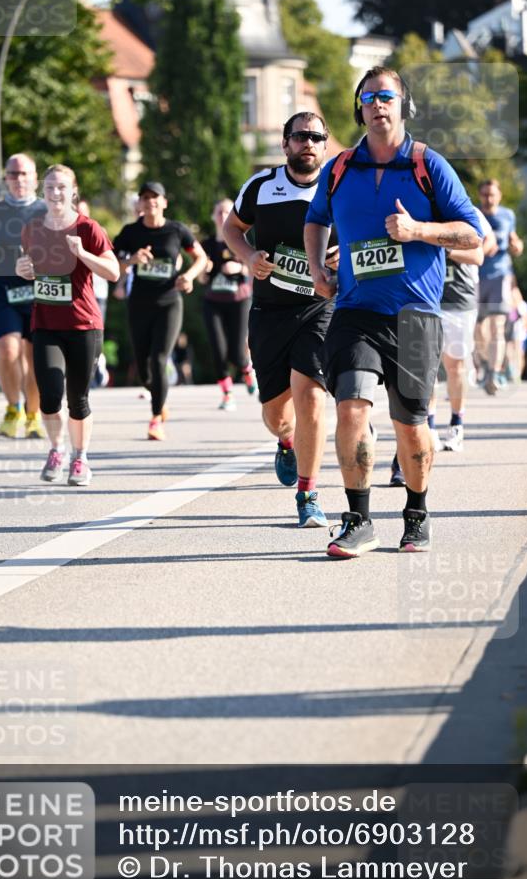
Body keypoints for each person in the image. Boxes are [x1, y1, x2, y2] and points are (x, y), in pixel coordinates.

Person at [304, 67, 482, 556]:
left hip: (415, 317)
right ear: (358, 108)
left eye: (387, 96)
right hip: (356, 310)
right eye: (369, 97)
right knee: (351, 406)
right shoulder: (340, 169)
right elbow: (315, 220)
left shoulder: (428, 165)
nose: (378, 104)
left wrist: (419, 231)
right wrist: (319, 268)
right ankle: (358, 518)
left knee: (411, 422)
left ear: (404, 106)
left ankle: (416, 511)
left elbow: (473, 236)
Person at [224, 111, 337, 529]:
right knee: (277, 414)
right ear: (285, 144)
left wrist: (347, 259)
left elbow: (366, 234)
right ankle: (286, 442)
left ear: (325, 144)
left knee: (311, 396)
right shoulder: (260, 187)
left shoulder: (338, 187)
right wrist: (249, 255)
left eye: (316, 136)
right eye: (299, 136)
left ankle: (308, 494)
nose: (307, 143)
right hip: (269, 311)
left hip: (318, 307)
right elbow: (231, 228)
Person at [16, 164, 119, 486]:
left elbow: (113, 273)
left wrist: (84, 254)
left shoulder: (88, 228)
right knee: (49, 395)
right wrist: (23, 269)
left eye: (61, 187)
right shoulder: (32, 228)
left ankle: (80, 457)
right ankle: (56, 449)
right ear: (42, 192)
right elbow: (28, 266)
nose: (55, 193)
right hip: (45, 322)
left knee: (78, 398)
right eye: (50, 187)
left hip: (84, 324)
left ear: (72, 191)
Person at [112, 181, 208, 440]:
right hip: (139, 304)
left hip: (169, 302)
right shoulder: (130, 233)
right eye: (145, 197)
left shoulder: (176, 231)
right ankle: (159, 400)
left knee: (158, 358)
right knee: (144, 370)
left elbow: (201, 258)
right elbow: (111, 266)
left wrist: (188, 276)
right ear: (140, 204)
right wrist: (131, 260)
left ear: (164, 202)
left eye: (155, 197)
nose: (150, 201)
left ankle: (155, 420)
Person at [0, 153, 47, 438]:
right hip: (4, 291)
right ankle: (13, 409)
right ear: (6, 178)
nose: (19, 179)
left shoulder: (45, 210)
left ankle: (33, 415)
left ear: (35, 178)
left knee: (35, 358)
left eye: (25, 173)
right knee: (8, 350)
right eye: (13, 174)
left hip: (39, 292)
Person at [427, 206, 494, 453]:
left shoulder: (467, 211)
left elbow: (479, 254)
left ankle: (456, 424)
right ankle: (429, 427)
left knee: (455, 365)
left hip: (458, 298)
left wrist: (444, 248)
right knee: (426, 368)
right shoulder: (421, 206)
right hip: (426, 297)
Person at [200, 198, 256, 410]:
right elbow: (202, 278)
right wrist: (204, 272)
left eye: (227, 212)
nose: (223, 216)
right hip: (213, 302)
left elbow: (256, 266)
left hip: (238, 301)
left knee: (236, 352)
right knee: (218, 349)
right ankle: (227, 394)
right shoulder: (206, 245)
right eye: (219, 212)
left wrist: (239, 268)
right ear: (213, 217)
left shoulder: (241, 241)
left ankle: (247, 369)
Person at [474, 179, 523, 395]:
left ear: (499, 196)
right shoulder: (473, 214)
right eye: (484, 194)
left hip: (500, 276)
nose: (488, 198)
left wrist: (517, 246)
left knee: (497, 326)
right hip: (475, 277)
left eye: (492, 194)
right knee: (478, 330)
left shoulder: (508, 215)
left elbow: (514, 240)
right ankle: (485, 365)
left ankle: (493, 373)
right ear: (479, 196)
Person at [505, 277, 527, 382]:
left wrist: (525, 324)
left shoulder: (517, 298)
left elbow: (524, 315)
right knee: (509, 350)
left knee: (518, 351)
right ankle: (511, 371)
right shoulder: (505, 295)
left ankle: (518, 374)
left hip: (518, 326)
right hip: (510, 325)